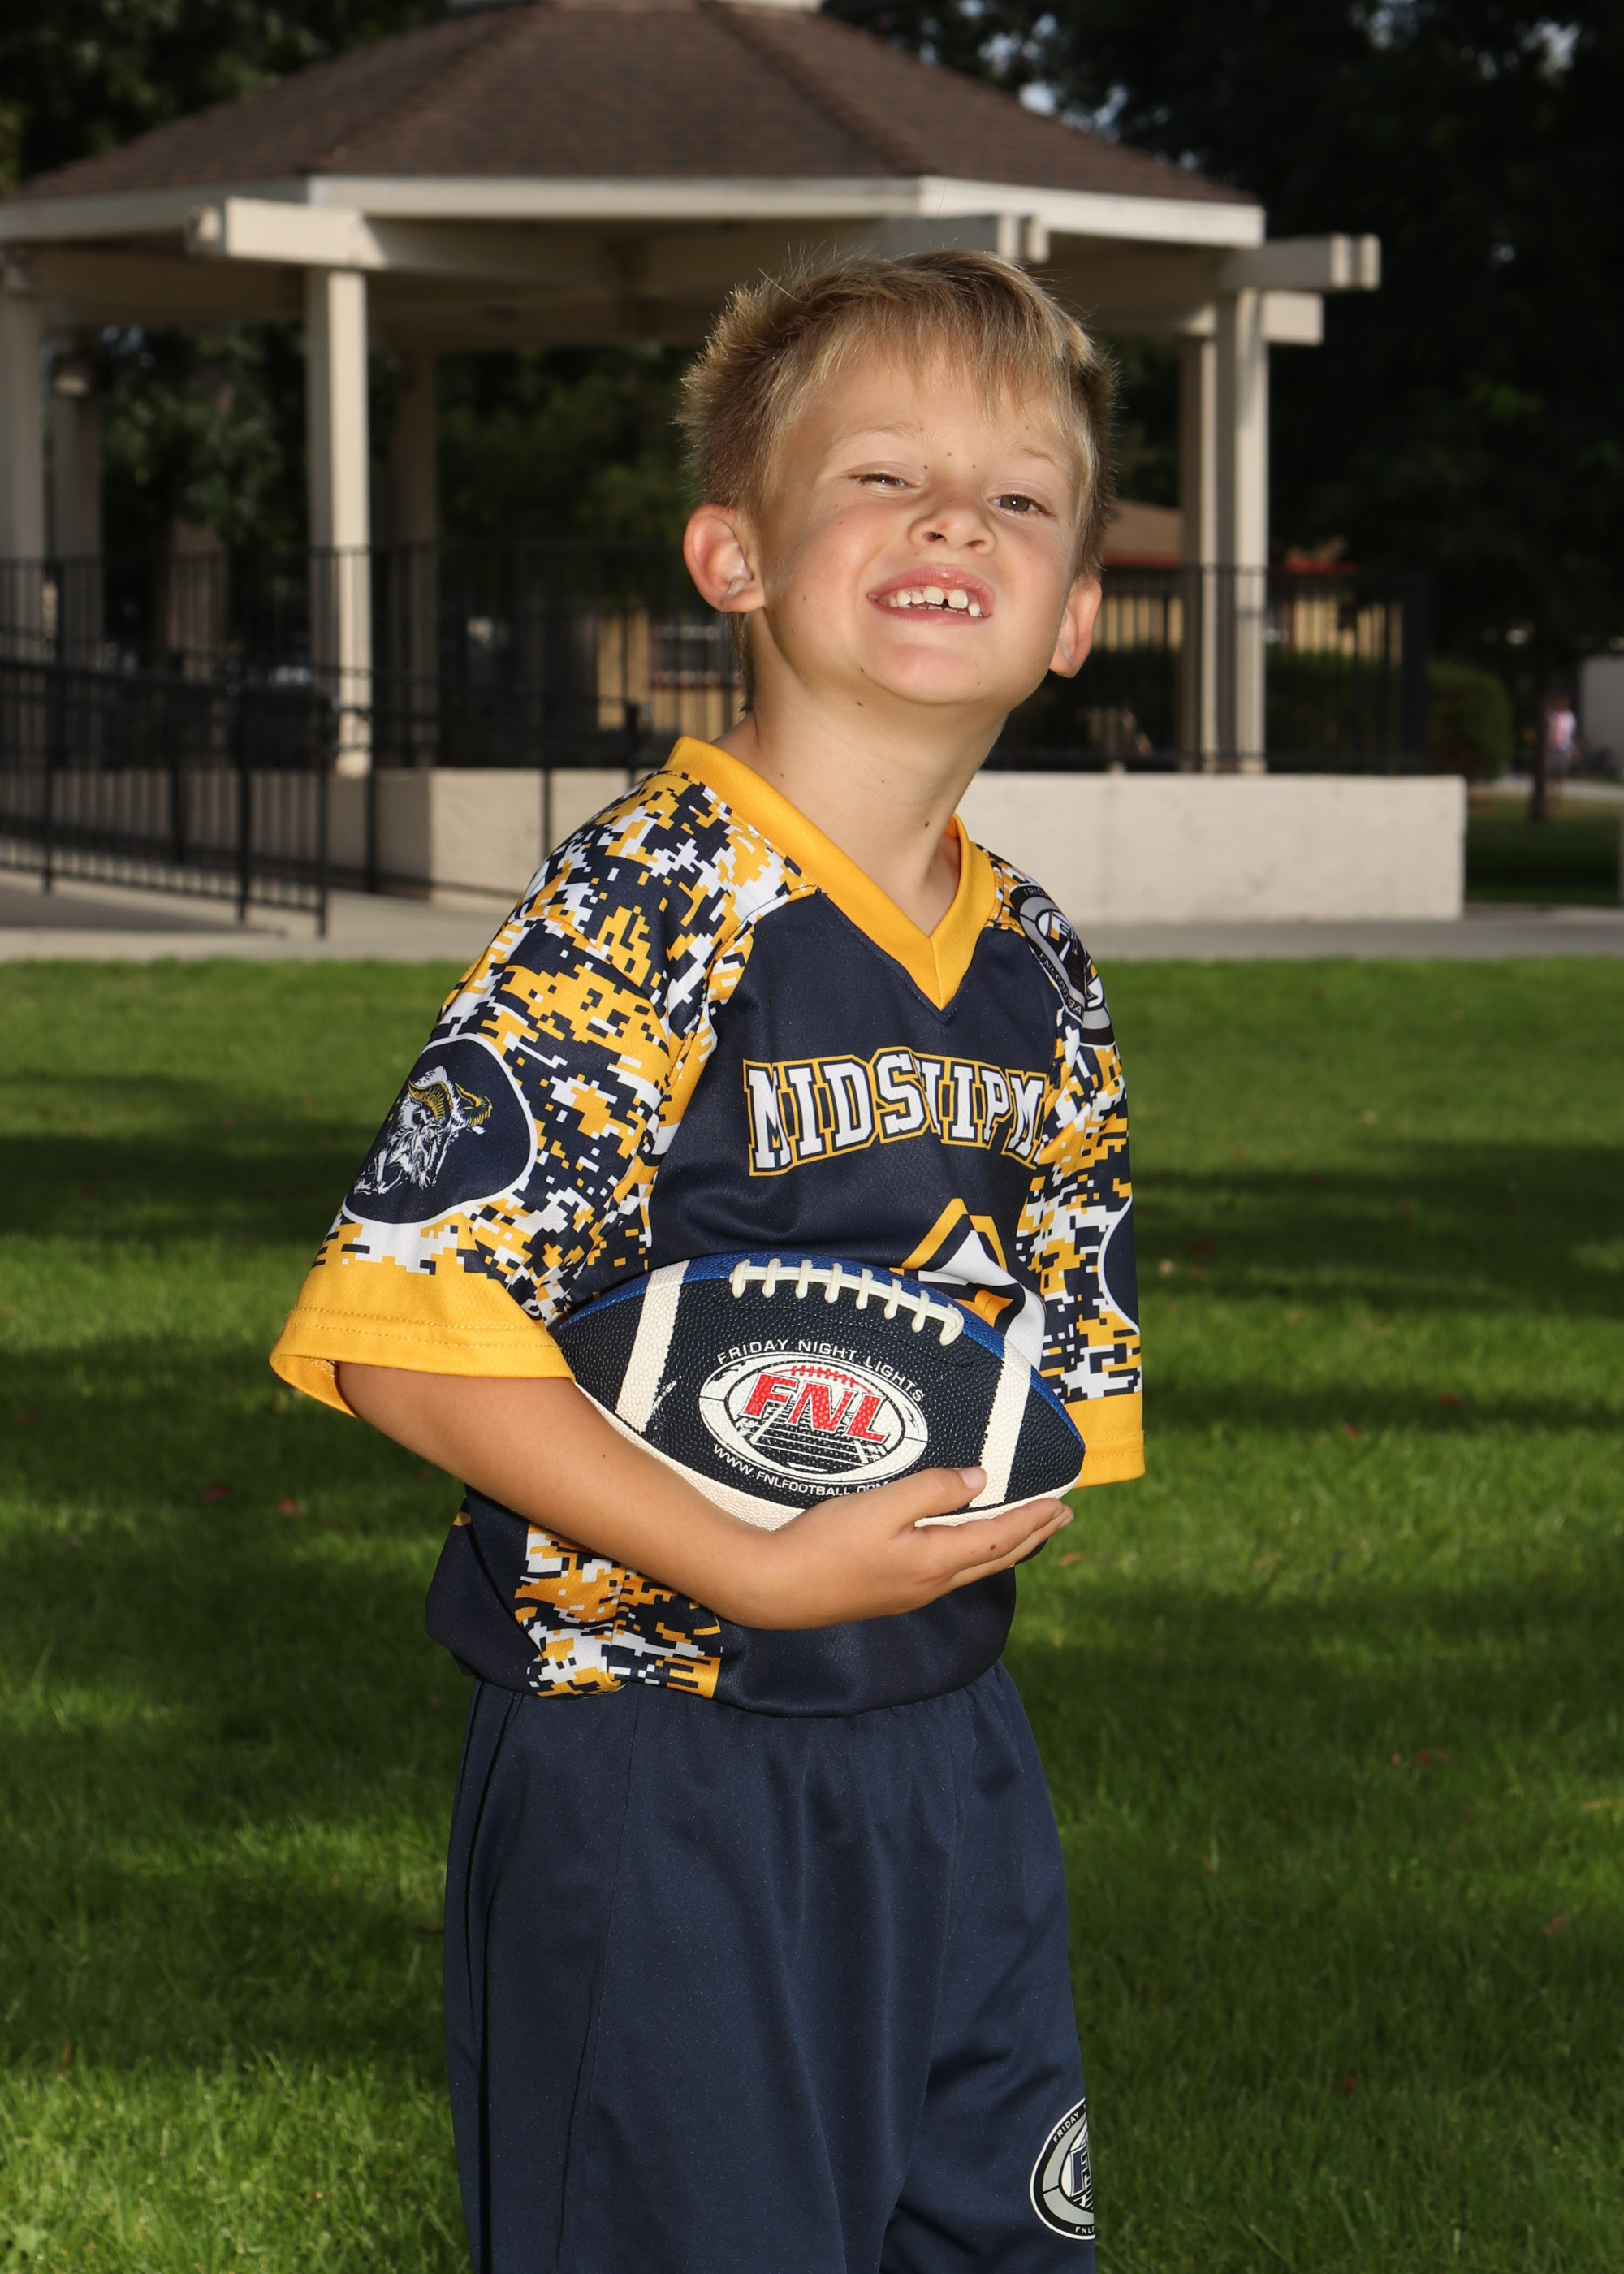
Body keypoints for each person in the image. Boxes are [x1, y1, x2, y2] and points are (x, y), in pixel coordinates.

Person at [270, 252, 1142, 2273]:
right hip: (658, 1740)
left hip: (945, 1740)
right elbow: (413, 1339)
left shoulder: (1039, 963)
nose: (955, 521)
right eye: (884, 476)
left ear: (1076, 614)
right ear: (732, 556)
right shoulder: (646, 904)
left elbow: (1052, 1390)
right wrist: (751, 1564)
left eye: (1018, 496)